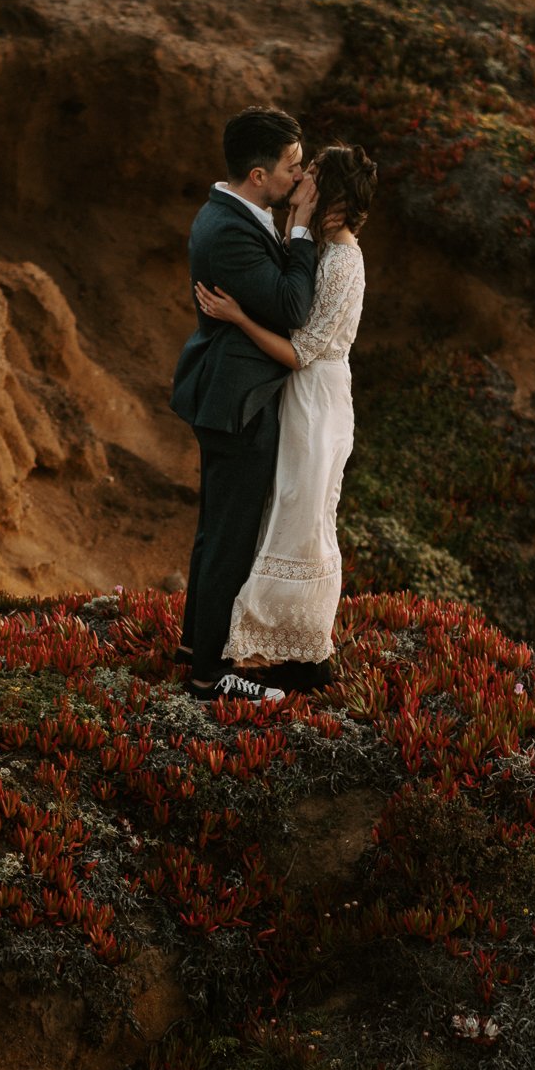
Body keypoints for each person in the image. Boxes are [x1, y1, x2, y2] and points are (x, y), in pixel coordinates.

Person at [194, 143, 376, 690]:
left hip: (316, 400)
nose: (301, 176)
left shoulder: (343, 258)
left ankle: (298, 651)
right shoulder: (320, 246)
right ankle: (273, 650)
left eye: (312, 172)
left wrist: (238, 317)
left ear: (332, 193)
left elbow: (304, 350)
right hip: (298, 395)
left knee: (303, 517)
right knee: (285, 512)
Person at [171, 107, 320, 704]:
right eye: (292, 167)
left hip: (226, 393)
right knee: (230, 537)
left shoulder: (234, 213)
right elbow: (291, 307)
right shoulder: (230, 229)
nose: (299, 176)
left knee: (216, 531)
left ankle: (193, 645)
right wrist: (304, 228)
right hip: (240, 402)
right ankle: (210, 675)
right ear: (259, 175)